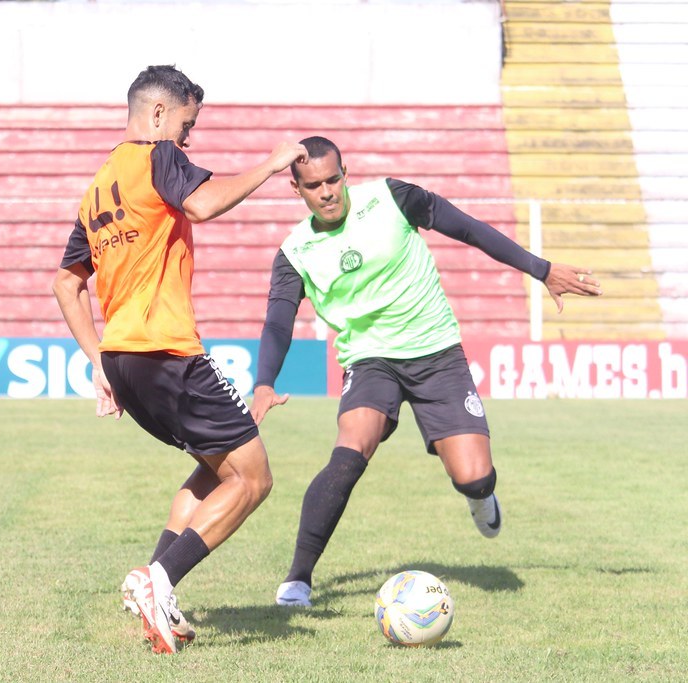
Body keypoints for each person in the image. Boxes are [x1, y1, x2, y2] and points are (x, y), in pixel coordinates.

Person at [250, 136, 602, 608]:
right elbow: (278, 320)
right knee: (348, 455)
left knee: (475, 478)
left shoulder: (392, 198)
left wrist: (540, 269)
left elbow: (470, 229)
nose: (328, 191)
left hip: (437, 353)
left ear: (346, 172)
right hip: (370, 361)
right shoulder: (295, 251)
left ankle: (480, 496)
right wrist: (264, 382)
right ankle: (298, 580)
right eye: (314, 185)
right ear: (297, 190)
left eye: (334, 179)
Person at [52, 65, 307, 654]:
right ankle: (157, 580)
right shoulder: (157, 155)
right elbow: (202, 205)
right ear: (160, 114)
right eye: (188, 124)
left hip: (125, 359)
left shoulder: (98, 187)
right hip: (165, 352)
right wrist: (269, 165)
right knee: (253, 478)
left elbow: (67, 283)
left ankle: (154, 589)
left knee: (215, 470)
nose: (188, 139)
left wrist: (98, 362)